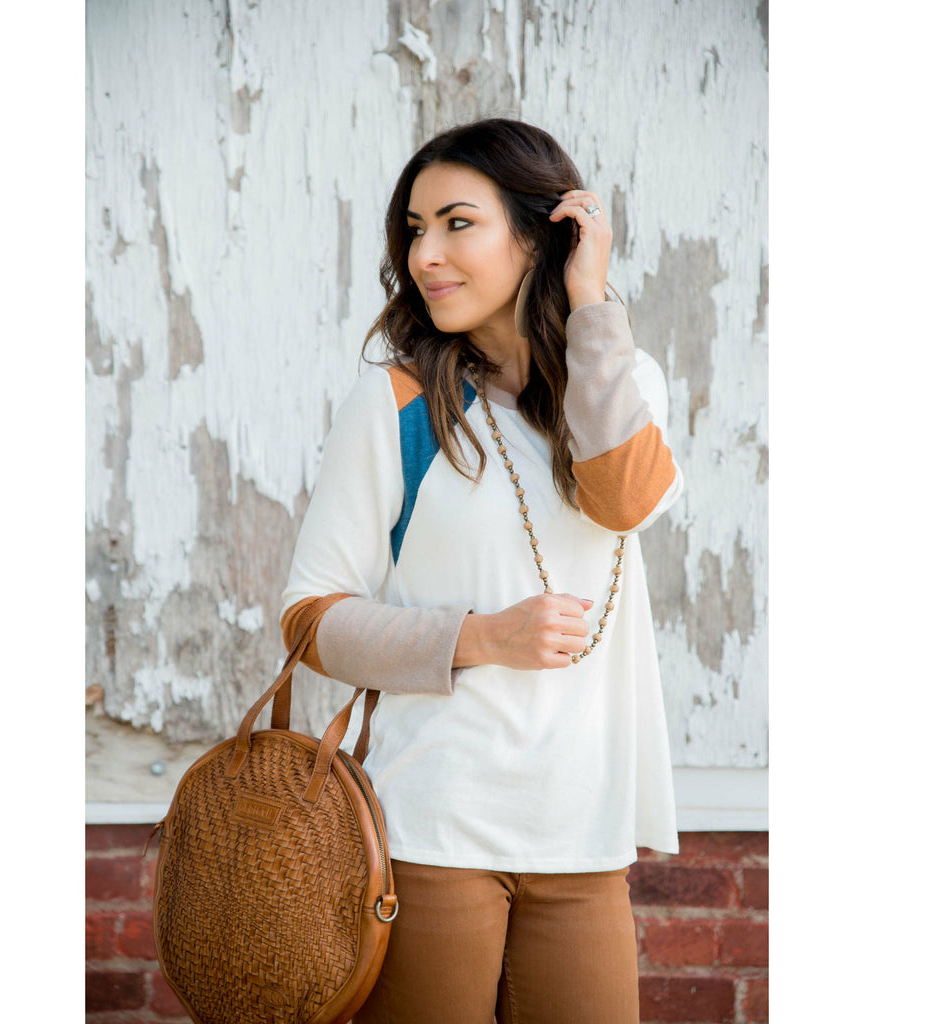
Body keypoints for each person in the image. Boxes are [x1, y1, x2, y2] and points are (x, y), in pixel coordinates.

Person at [280, 118, 683, 1024]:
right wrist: (483, 637)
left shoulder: (625, 382)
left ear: (541, 235)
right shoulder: (399, 401)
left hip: (584, 832)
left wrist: (591, 306)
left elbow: (621, 501)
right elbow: (308, 616)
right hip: (433, 826)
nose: (427, 253)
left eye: (457, 223)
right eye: (415, 229)